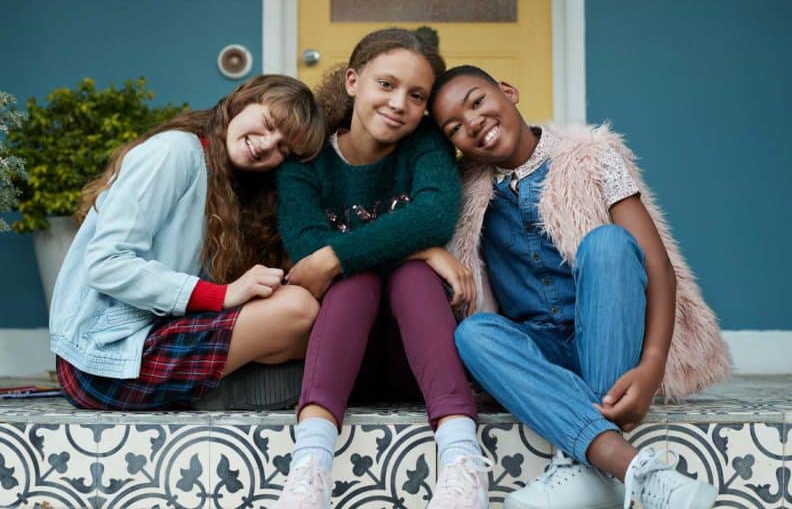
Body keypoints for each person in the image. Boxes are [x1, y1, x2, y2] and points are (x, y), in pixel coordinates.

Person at [429, 65, 731, 509]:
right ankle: (628, 469)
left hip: (610, 338)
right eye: (455, 126)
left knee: (608, 242)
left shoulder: (593, 154)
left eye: (477, 102)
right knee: (473, 334)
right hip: (541, 355)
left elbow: (658, 267)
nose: (472, 122)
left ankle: (581, 464)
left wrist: (651, 366)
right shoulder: (466, 191)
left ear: (508, 91)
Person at [274, 29, 490, 509]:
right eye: (386, 85)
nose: (399, 104)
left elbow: (433, 214)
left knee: (407, 277)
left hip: (419, 364)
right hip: (336, 366)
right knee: (357, 278)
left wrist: (344, 254)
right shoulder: (305, 163)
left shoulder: (425, 146)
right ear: (353, 81)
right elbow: (311, 257)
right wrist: (419, 248)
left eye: (416, 96)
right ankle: (309, 471)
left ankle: (462, 462)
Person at [51, 74, 326, 411]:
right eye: (269, 123)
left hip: (160, 337)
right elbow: (107, 263)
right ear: (242, 102)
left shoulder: (238, 185)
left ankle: (213, 394)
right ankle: (220, 396)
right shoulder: (175, 152)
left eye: (284, 147)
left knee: (319, 328)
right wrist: (223, 295)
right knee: (297, 311)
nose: (269, 144)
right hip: (106, 358)